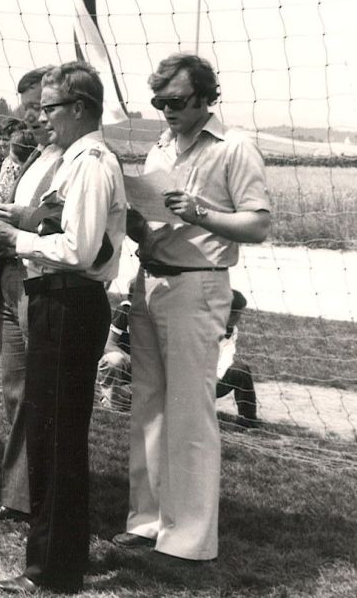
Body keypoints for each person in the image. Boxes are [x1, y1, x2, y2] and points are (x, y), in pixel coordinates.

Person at [114, 53, 272, 561]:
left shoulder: (235, 147)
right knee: (149, 408)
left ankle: (189, 539)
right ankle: (147, 520)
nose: (166, 111)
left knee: (189, 413)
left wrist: (201, 212)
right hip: (150, 281)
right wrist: (137, 223)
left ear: (206, 97)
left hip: (198, 286)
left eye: (176, 102)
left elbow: (258, 225)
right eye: (159, 102)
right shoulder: (162, 147)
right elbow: (160, 220)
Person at [0, 61, 126, 594]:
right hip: (53, 301)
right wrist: (13, 218)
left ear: (80, 109)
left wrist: (12, 239)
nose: (42, 117)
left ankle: (54, 570)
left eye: (50, 107)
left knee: (58, 440)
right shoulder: (70, 161)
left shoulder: (90, 163)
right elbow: (54, 222)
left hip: (69, 302)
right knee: (49, 437)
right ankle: (52, 558)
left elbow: (79, 249)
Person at [0, 66, 53, 526]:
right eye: (26, 108)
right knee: (15, 390)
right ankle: (20, 494)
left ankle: (43, 492)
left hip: (39, 280)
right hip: (10, 276)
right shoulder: (32, 156)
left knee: (42, 391)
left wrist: (17, 222)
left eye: (40, 107)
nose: (31, 117)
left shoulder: (76, 158)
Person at [96, 288, 258, 426]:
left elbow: (226, 357)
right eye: (239, 314)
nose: (240, 318)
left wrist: (213, 378)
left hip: (210, 380)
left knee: (241, 370)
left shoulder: (231, 330)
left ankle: (248, 420)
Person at [0, 118, 37, 349]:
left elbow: (5, 198)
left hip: (9, 230)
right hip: (1, 225)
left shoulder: (14, 167)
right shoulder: (7, 164)